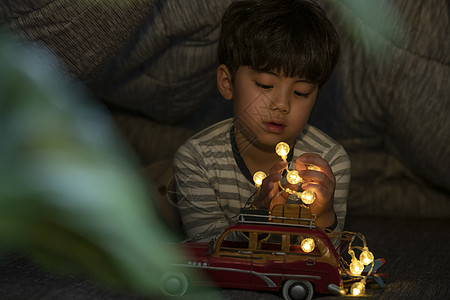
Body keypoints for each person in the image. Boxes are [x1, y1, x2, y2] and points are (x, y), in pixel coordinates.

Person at [173, 0, 350, 242]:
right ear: (227, 83)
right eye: (265, 85)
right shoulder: (196, 160)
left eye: (301, 92)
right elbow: (208, 250)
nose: (282, 104)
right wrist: (256, 216)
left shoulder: (330, 162)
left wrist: (325, 215)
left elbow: (328, 259)